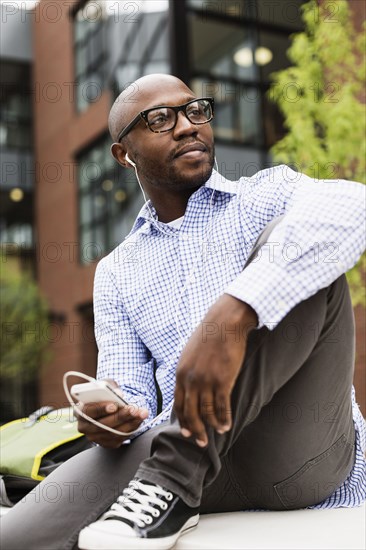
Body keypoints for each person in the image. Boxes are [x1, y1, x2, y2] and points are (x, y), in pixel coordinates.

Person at [1, 74, 365, 550]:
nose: (188, 126)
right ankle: (171, 483)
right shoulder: (116, 270)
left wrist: (234, 314)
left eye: (195, 111)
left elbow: (354, 204)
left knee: (300, 252)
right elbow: (130, 389)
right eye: (160, 119)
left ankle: (174, 478)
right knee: (18, 537)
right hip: (178, 446)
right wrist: (111, 417)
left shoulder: (266, 195)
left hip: (293, 453)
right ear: (123, 153)